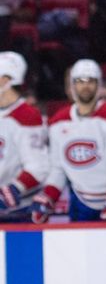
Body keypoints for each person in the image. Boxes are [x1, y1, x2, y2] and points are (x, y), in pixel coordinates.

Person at [31, 59, 106, 223]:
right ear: (72, 85)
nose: (85, 86)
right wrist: (48, 196)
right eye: (80, 81)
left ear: (99, 84)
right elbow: (58, 167)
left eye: (90, 81)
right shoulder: (59, 121)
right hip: (80, 201)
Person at [0, 52, 49, 222]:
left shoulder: (27, 116)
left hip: (21, 209)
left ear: (5, 80)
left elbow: (38, 167)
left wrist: (13, 189)